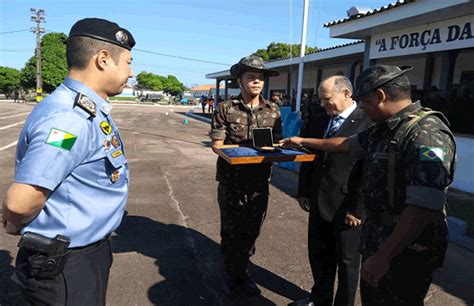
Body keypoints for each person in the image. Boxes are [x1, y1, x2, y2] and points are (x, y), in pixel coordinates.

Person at [280, 65, 456, 305]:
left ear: (380, 96)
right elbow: (344, 144)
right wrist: (301, 140)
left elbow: (423, 206)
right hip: (380, 238)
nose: (361, 107)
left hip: (407, 248)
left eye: (363, 101)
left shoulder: (427, 133)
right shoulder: (385, 129)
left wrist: (384, 256)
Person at [2, 18, 135, 305]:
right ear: (102, 59)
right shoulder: (69, 121)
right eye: (127, 62)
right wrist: (13, 217)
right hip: (67, 267)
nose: (131, 72)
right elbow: (21, 201)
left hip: (81, 256)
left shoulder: (82, 108)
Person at [291, 76, 372, 306]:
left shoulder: (368, 122)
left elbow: (369, 171)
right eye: (320, 100)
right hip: (319, 199)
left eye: (327, 99)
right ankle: (320, 299)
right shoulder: (319, 119)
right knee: (318, 255)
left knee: (347, 263)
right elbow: (309, 158)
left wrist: (358, 209)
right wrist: (304, 191)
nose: (323, 104)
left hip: (348, 206)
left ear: (346, 94)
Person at [210, 54, 282, 297]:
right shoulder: (225, 108)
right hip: (232, 182)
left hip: (259, 182)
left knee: (252, 231)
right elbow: (217, 144)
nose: (257, 82)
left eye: (260, 78)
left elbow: (276, 143)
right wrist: (243, 152)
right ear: (239, 81)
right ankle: (232, 274)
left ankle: (244, 271)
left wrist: (277, 149)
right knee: (231, 231)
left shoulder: (273, 111)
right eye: (251, 77)